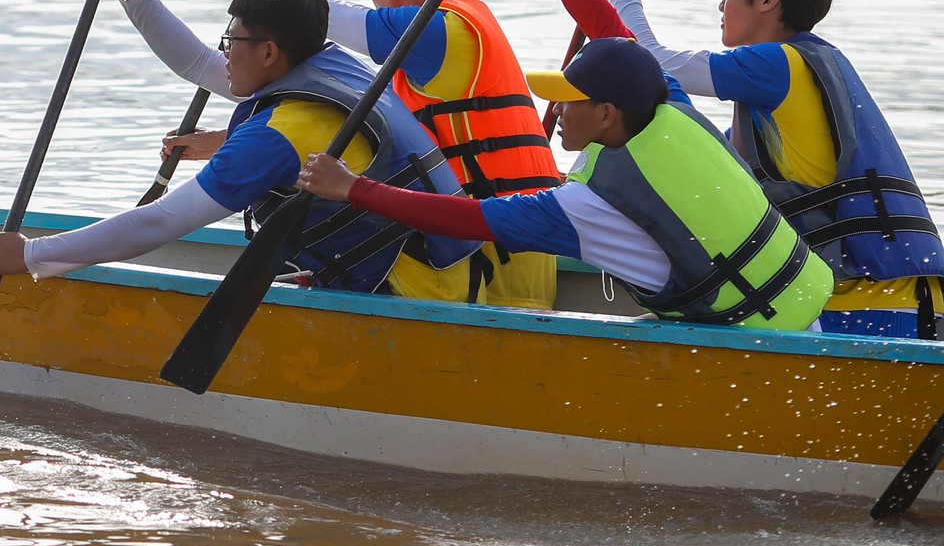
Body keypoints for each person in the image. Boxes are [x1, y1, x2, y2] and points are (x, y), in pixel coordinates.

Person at [477, 0, 943, 340]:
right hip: (885, 302)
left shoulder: (778, 66)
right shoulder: (789, 79)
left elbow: (639, 54)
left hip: (865, 307)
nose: (721, 5)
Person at [0, 0, 485, 299]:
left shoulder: (280, 132)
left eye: (231, 40)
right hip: (450, 273)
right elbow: (199, 63)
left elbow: (160, 224)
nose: (223, 51)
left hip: (406, 290)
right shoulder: (334, 64)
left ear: (268, 52)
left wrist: (30, 255)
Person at [294, 37, 834, 332]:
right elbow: (630, 50)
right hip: (802, 314)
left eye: (570, 98)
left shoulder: (587, 205)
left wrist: (354, 189)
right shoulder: (676, 112)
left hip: (747, 342)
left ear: (606, 113)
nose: (556, 108)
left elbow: (466, 219)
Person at [225, 0, 566, 312]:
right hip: (511, 253)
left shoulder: (438, 30)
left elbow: (318, 12)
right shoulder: (456, 30)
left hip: (487, 263)